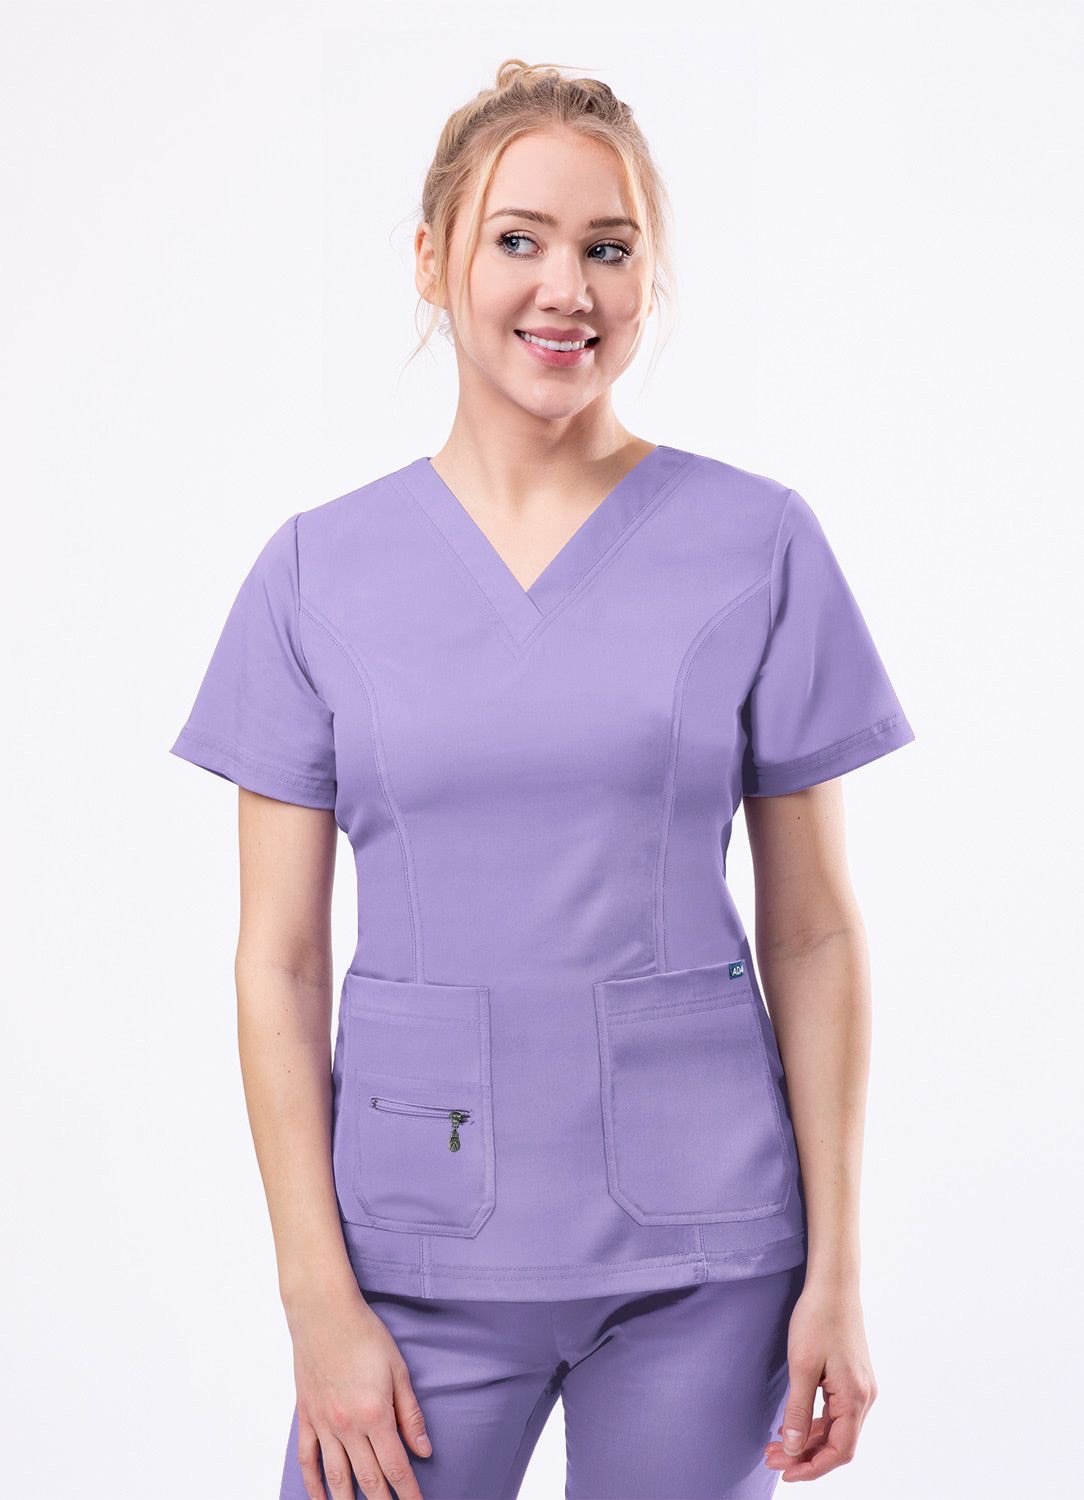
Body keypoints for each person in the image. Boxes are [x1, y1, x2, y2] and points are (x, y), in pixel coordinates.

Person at [170, 57, 915, 1500]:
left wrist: (837, 1270)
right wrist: (317, 1304)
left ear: (649, 278)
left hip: (707, 1258)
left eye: (608, 248)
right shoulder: (317, 572)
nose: (566, 288)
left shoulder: (757, 543)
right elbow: (278, 963)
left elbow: (816, 927)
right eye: (519, 238)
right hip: (411, 1261)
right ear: (432, 260)